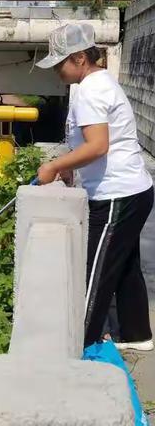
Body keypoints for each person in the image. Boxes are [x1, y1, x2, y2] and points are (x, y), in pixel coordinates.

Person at [36, 23, 154, 351]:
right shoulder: (99, 82)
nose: (57, 70)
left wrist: (55, 166)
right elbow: (94, 143)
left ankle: (78, 344)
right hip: (134, 190)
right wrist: (73, 169)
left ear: (79, 58)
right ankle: (136, 334)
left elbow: (98, 145)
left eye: (60, 63)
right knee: (125, 264)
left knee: (95, 272)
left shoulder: (90, 90)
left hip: (117, 195)